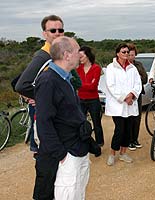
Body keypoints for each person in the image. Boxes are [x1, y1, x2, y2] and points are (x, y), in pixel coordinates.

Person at [14, 15, 81, 157]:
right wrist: (43, 97)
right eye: (53, 30)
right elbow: (21, 85)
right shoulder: (43, 56)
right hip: (46, 111)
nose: (57, 33)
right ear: (44, 34)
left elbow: (75, 81)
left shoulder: (59, 54)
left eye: (60, 30)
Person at [34, 36, 90, 200]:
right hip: (65, 154)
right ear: (66, 55)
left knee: (77, 193)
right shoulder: (48, 81)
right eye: (77, 51)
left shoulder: (65, 78)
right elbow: (43, 123)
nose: (80, 55)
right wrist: (62, 155)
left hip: (76, 147)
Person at [105, 43, 142, 166]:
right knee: (119, 130)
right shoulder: (111, 67)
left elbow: (138, 84)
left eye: (127, 52)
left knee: (128, 131)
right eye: (123, 52)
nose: (126, 54)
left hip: (131, 104)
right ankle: (112, 154)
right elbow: (111, 85)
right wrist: (124, 97)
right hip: (118, 105)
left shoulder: (133, 68)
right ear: (117, 53)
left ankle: (123, 153)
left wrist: (132, 95)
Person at [77, 46, 104, 148]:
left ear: (87, 56)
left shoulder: (96, 68)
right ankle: (84, 140)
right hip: (81, 99)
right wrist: (85, 85)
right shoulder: (78, 69)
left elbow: (93, 86)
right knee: (81, 122)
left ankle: (99, 142)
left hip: (93, 99)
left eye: (81, 56)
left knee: (96, 122)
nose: (80, 59)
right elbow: (76, 84)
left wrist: (81, 85)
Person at [127, 43, 148, 151]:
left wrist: (138, 78)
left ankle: (135, 139)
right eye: (129, 55)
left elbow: (144, 78)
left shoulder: (138, 65)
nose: (131, 57)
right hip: (127, 95)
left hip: (138, 94)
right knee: (128, 118)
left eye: (133, 55)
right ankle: (129, 140)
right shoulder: (124, 66)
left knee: (137, 117)